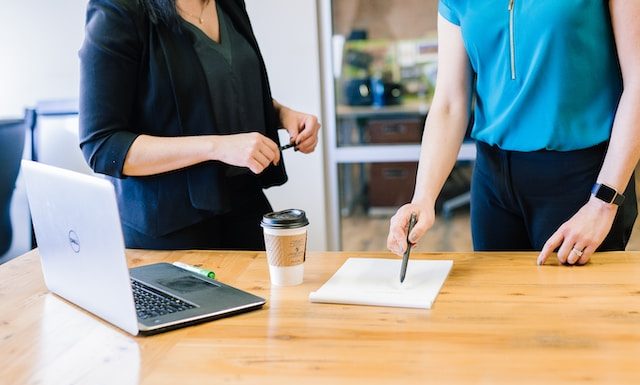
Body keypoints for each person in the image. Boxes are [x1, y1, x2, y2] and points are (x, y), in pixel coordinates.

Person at [387, 1, 640, 266]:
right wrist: (423, 198)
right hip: (493, 183)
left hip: (582, 180)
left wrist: (603, 203)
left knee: (573, 305)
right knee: (498, 304)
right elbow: (450, 102)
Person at [79, 0, 320, 250]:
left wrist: (282, 114)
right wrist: (216, 147)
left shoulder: (228, 4)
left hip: (243, 204)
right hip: (170, 226)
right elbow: (103, 145)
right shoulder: (118, 11)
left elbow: (213, 88)